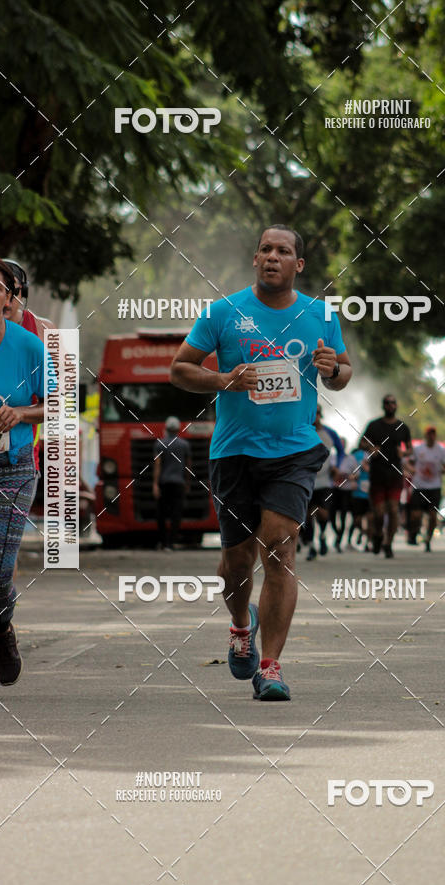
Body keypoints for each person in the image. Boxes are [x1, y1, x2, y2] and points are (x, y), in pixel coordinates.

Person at [170, 225, 351, 700]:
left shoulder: (320, 314)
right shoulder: (223, 312)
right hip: (234, 452)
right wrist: (223, 379)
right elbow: (180, 369)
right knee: (235, 564)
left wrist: (333, 369)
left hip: (293, 448)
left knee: (280, 547)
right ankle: (239, 624)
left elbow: (342, 372)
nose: (273, 256)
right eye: (266, 250)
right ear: (256, 259)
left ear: (299, 264)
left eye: (284, 251)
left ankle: (271, 668)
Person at [0, 259, 56, 662]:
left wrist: (21, 414)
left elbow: (63, 402)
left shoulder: (34, 338)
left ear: (12, 295)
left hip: (14, 461)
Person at [362, 394, 412, 558]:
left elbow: (410, 449)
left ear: (396, 406)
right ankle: (377, 534)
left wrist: (404, 452)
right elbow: (361, 443)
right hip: (377, 475)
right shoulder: (374, 425)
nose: (390, 405)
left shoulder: (402, 427)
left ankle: (388, 543)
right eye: (387, 403)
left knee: (393, 510)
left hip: (395, 475)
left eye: (393, 402)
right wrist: (371, 448)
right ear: (383, 406)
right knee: (378, 513)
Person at [302, 405, 342, 560]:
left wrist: (337, 467)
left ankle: (323, 536)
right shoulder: (303, 431)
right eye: (312, 413)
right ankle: (312, 547)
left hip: (325, 481)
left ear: (321, 415)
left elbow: (341, 451)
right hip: (306, 480)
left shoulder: (329, 433)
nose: (315, 417)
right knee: (307, 515)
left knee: (323, 514)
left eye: (317, 413)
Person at [406, 426, 445, 552]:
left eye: (433, 434)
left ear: (435, 436)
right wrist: (412, 470)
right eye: (429, 434)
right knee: (416, 515)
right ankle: (414, 532)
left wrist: (443, 470)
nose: (431, 436)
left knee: (432, 516)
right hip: (419, 485)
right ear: (425, 436)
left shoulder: (441, 450)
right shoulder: (418, 448)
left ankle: (428, 540)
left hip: (434, 486)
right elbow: (409, 463)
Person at [152, 415, 192, 549]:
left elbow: (157, 466)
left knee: (162, 513)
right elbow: (188, 466)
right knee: (176, 512)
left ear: (166, 428)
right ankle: (171, 542)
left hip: (164, 483)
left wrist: (155, 484)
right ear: (178, 429)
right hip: (179, 483)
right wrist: (187, 482)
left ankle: (163, 542)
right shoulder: (185, 445)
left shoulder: (159, 444)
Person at [330, 438, 357, 552]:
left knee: (344, 515)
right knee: (331, 515)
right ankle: (337, 533)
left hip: (346, 490)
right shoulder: (331, 458)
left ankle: (339, 539)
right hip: (334, 489)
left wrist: (352, 477)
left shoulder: (351, 458)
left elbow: (357, 473)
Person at [348, 436, 371, 548]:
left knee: (370, 518)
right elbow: (348, 470)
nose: (365, 443)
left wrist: (367, 467)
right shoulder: (355, 455)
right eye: (363, 441)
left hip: (370, 492)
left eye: (367, 441)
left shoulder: (374, 456)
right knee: (357, 519)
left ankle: (368, 542)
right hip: (357, 491)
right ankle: (361, 533)